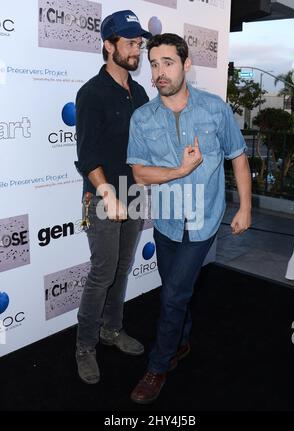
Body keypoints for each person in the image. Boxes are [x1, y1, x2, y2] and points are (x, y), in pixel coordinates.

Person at [127, 33, 252, 403]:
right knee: (175, 294)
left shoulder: (216, 110)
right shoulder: (142, 117)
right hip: (165, 221)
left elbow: (239, 158)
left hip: (202, 222)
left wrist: (245, 207)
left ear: (186, 65)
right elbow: (139, 174)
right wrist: (179, 171)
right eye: (154, 64)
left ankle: (157, 366)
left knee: (174, 294)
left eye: (168, 62)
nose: (159, 72)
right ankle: (181, 343)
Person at [74, 10, 151, 384]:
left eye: (139, 42)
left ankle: (111, 329)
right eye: (130, 42)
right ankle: (84, 346)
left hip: (133, 195)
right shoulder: (91, 93)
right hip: (104, 196)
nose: (137, 49)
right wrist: (108, 194)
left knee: (122, 268)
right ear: (108, 45)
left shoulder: (139, 92)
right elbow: (87, 156)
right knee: (102, 273)